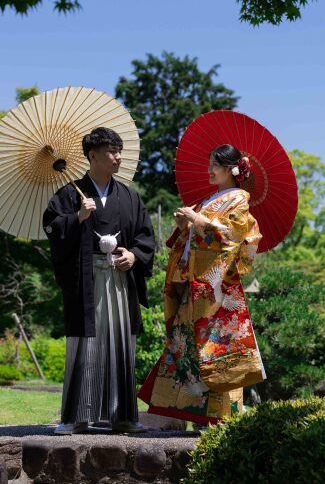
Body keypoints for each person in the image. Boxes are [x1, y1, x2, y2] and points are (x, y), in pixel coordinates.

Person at [138, 144, 264, 425]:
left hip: (216, 288)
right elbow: (195, 237)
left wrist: (198, 221)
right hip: (194, 283)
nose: (209, 170)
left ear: (232, 169)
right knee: (184, 344)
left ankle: (221, 417)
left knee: (219, 349)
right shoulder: (209, 199)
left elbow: (233, 236)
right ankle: (176, 412)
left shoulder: (239, 198)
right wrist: (186, 225)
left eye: (214, 165)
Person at [43, 127, 155, 434]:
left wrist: (133, 256)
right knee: (86, 344)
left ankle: (123, 417)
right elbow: (51, 229)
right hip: (86, 282)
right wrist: (76, 217)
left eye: (119, 151)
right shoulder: (69, 194)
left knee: (121, 344)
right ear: (92, 156)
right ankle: (77, 417)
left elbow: (146, 237)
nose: (118, 157)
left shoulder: (129, 196)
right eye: (111, 151)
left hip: (119, 279)